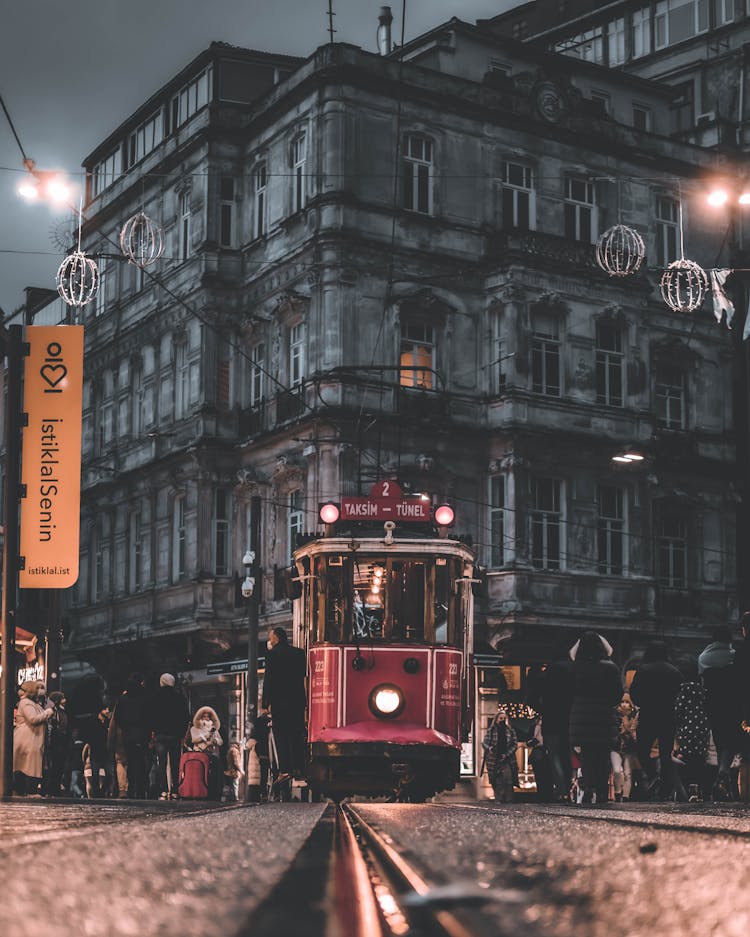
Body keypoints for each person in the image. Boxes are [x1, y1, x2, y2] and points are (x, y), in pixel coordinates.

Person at [568, 631, 622, 804]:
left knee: (587, 756)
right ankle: (602, 791)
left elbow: (568, 693)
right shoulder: (610, 667)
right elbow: (617, 695)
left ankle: (588, 788)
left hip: (581, 718)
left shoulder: (575, 668)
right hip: (604, 717)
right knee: (603, 756)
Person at [629, 640, 683, 800]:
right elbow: (680, 695)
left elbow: (635, 694)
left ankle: (653, 776)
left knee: (643, 751)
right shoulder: (675, 672)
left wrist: (644, 703)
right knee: (666, 754)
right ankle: (664, 789)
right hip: (667, 716)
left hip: (648, 715)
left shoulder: (643, 670)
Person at [698, 625, 740, 801]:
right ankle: (723, 772)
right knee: (731, 739)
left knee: (719, 738)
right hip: (731, 703)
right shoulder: (733, 655)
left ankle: (724, 777)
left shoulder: (703, 657)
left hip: (712, 704)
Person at [262, 627, 307, 787]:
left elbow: (269, 679)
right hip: (297, 700)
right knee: (296, 733)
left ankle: (285, 770)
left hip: (280, 701)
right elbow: (303, 675)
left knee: (281, 734)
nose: (270, 640)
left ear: (276, 638)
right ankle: (299, 768)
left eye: (270, 637)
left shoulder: (272, 654)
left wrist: (265, 703)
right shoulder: (299, 653)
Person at [530, 645, 573, 802]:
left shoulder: (547, 673)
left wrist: (544, 709)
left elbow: (532, 697)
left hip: (551, 720)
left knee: (555, 757)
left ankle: (562, 790)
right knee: (566, 755)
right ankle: (567, 788)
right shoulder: (573, 671)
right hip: (569, 720)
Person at [149, 673, 190, 800]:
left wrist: (154, 731)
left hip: (160, 734)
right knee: (175, 763)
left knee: (161, 763)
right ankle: (175, 790)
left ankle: (163, 790)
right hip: (175, 735)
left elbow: (151, 716)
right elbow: (185, 717)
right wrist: (182, 734)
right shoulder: (179, 697)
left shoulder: (155, 697)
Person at [109, 673, 149, 799]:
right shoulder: (144, 697)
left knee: (130, 761)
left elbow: (118, 717)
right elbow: (148, 716)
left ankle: (130, 788)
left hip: (127, 734)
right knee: (141, 762)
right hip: (142, 733)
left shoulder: (123, 699)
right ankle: (141, 789)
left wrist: (125, 728)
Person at [13, 681, 54, 795]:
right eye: (38, 688)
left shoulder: (34, 703)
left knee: (31, 767)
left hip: (33, 739)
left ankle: (28, 791)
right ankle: (26, 791)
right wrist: (48, 712)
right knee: (27, 767)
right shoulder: (26, 703)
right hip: (28, 740)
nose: (40, 690)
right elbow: (33, 719)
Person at [673, 679, 711, 803]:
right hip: (702, 731)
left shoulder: (683, 691)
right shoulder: (703, 690)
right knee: (699, 762)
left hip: (686, 731)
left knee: (685, 761)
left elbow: (677, 711)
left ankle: (687, 791)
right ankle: (698, 791)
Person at [186, 704, 224, 800]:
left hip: (212, 753)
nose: (206, 718)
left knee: (216, 770)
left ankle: (214, 792)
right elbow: (194, 739)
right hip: (200, 754)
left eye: (208, 716)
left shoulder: (214, 729)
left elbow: (220, 741)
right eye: (204, 716)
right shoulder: (195, 728)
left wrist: (215, 741)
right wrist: (206, 736)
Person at [482, 706, 518, 803]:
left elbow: (515, 744)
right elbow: (485, 742)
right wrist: (489, 748)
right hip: (494, 759)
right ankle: (498, 799)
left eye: (504, 718)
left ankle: (509, 799)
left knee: (508, 780)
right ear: (497, 719)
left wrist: (507, 754)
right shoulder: (492, 730)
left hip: (508, 759)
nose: (502, 720)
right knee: (497, 780)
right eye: (501, 718)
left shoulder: (510, 730)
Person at [611, 692, 639, 802]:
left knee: (628, 773)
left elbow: (633, 732)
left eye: (627, 702)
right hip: (615, 747)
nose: (624, 705)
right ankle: (618, 792)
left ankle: (626, 796)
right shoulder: (615, 715)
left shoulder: (634, 716)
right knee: (617, 771)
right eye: (622, 702)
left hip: (629, 748)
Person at [45, 691, 71, 797]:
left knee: (59, 767)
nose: (65, 700)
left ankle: (55, 788)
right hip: (57, 743)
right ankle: (53, 789)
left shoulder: (62, 712)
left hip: (61, 743)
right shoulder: (56, 712)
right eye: (63, 698)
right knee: (56, 767)